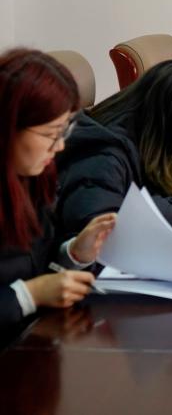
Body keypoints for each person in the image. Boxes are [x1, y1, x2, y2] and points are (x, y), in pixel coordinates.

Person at [1, 50, 116, 338]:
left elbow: (38, 266)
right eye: (51, 134)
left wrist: (74, 253)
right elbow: (30, 286)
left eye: (63, 132)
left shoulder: (32, 179)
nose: (60, 146)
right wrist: (28, 295)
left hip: (35, 341)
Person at [56, 60, 172, 234]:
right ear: (166, 122)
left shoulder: (132, 136)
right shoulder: (103, 155)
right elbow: (101, 224)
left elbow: (134, 189)